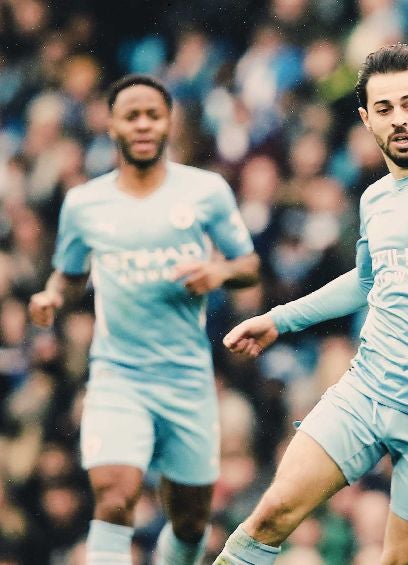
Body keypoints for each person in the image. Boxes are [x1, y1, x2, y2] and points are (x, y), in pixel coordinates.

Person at [213, 44, 408, 565]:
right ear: (366, 119)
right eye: (384, 110)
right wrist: (279, 320)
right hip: (366, 392)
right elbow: (366, 283)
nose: (399, 120)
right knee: (268, 518)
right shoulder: (375, 199)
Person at [28, 74, 261, 565]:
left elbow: (249, 266)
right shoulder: (85, 204)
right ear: (110, 125)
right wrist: (52, 295)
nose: (142, 125)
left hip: (186, 377)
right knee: (114, 496)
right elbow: (69, 276)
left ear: (168, 123)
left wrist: (218, 272)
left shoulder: (205, 191)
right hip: (118, 375)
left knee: (192, 520)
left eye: (152, 115)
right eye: (130, 115)